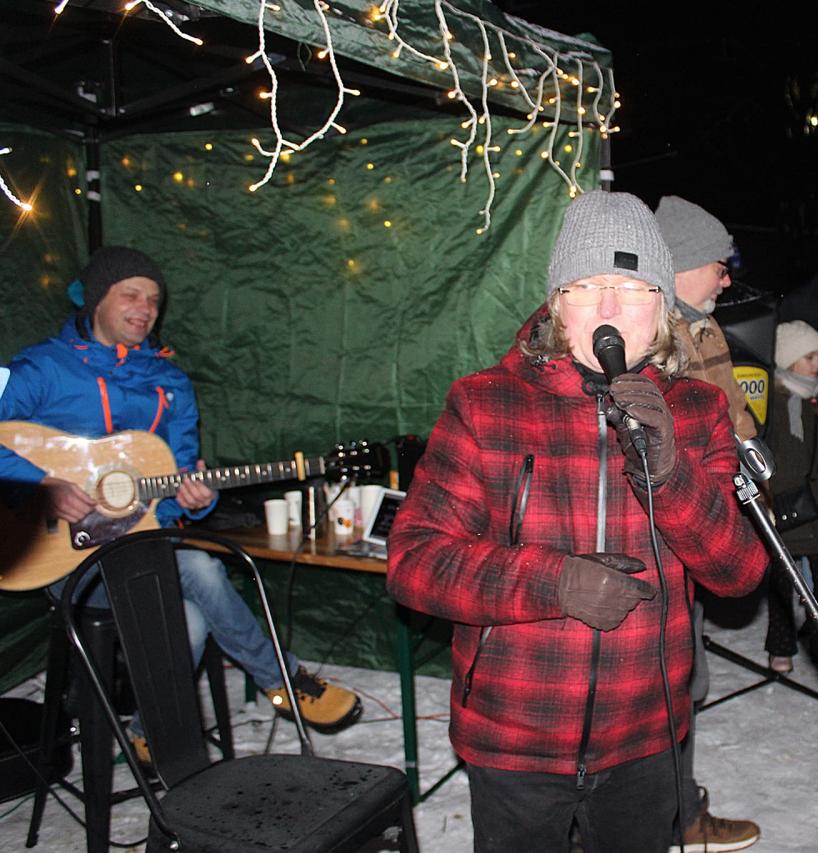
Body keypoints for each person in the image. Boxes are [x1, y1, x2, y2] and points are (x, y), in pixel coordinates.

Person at [385, 191, 768, 853]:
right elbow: (414, 564)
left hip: (645, 738)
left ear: (662, 308)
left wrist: (670, 473)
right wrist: (553, 582)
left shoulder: (698, 409)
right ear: (558, 304)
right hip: (513, 735)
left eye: (632, 289)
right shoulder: (485, 404)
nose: (610, 308)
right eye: (588, 287)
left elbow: (738, 572)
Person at [0, 246, 362, 761]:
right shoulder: (40, 368)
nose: (146, 309)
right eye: (131, 294)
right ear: (97, 299)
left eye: (153, 299)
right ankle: (282, 680)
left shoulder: (170, 384)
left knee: (192, 620)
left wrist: (195, 500)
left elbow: (172, 490)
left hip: (140, 549)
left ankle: (147, 732)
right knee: (202, 568)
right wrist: (42, 485)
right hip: (63, 558)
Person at [654, 194, 761, 852]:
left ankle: (676, 808)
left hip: (703, 528)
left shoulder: (703, 330)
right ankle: (653, 816)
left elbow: (732, 420)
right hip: (661, 534)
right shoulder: (651, 337)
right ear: (681, 264)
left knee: (685, 677)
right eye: (718, 266)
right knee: (658, 682)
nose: (726, 279)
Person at [763, 322, 818, 676]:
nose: (817, 365)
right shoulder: (775, 401)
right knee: (783, 581)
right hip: (787, 504)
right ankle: (781, 647)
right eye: (809, 357)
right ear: (789, 360)